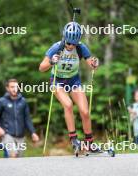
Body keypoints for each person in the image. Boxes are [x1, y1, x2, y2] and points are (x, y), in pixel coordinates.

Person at [39, 21, 99, 154]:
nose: (71, 46)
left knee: (84, 111)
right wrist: (51, 61)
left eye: (74, 43)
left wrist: (94, 63)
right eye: (69, 43)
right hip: (57, 81)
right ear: (64, 38)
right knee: (68, 104)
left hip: (73, 80)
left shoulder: (81, 47)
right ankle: (73, 139)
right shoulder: (56, 47)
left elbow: (91, 63)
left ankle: (89, 142)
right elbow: (41, 68)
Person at [0, 78, 40, 158]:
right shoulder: (1, 101)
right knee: (13, 155)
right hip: (7, 134)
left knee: (19, 159)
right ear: (7, 88)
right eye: (12, 87)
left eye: (16, 87)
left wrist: (33, 132)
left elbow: (27, 118)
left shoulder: (23, 101)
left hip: (21, 135)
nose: (14, 89)